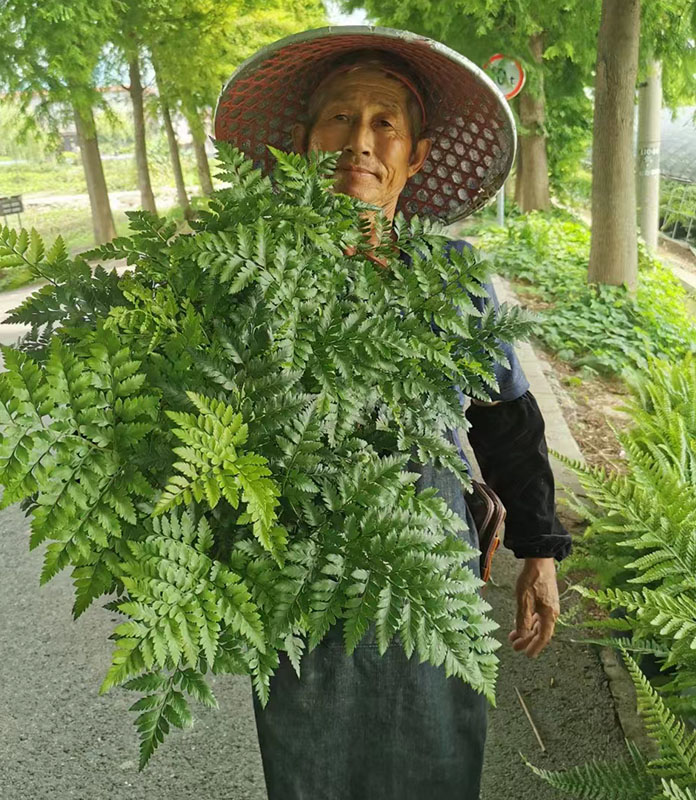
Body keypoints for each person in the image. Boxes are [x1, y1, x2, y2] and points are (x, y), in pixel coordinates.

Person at [213, 26, 573, 800]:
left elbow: (508, 420)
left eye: (386, 124)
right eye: (339, 119)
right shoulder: (248, 275)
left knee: (436, 765)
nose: (360, 141)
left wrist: (539, 550)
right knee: (315, 773)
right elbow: (200, 422)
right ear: (304, 144)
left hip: (432, 582)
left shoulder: (454, 279)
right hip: (301, 589)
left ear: (415, 156)